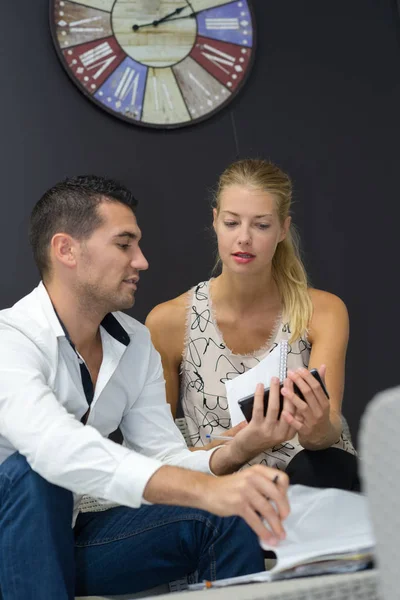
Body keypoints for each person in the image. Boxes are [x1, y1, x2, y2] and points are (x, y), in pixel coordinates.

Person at [0, 175, 293, 600]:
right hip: (11, 537)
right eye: (124, 244)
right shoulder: (9, 339)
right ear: (66, 249)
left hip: (67, 538)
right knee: (33, 471)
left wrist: (236, 454)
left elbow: (163, 455)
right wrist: (206, 488)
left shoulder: (135, 343)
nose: (141, 261)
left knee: (224, 516)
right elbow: (54, 448)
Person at [146, 159, 359, 490]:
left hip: (314, 483)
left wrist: (316, 424)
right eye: (232, 223)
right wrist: (237, 446)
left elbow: (327, 434)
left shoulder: (324, 311)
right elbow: (160, 458)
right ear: (215, 221)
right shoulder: (169, 322)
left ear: (282, 229)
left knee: (320, 466)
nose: (244, 238)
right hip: (223, 494)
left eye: (261, 225)